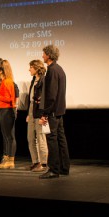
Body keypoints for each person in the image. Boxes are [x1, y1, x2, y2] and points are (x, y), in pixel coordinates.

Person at [39, 45, 70, 179]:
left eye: (44, 54)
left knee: (52, 140)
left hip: (52, 112)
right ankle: (64, 167)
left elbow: (51, 95)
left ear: (49, 55)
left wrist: (45, 113)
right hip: (59, 111)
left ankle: (53, 169)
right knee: (60, 139)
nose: (42, 56)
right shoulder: (60, 69)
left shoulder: (52, 70)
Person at [0, 59, 17, 169]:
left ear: (2, 70)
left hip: (7, 110)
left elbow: (8, 99)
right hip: (3, 110)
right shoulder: (5, 81)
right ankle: (7, 160)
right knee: (6, 136)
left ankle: (10, 161)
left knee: (9, 137)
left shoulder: (7, 81)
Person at [26, 60, 48, 172]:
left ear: (36, 68)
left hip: (39, 110)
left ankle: (44, 163)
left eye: (31, 67)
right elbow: (31, 99)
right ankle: (35, 161)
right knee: (30, 138)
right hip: (31, 109)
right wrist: (28, 114)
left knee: (40, 137)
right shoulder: (34, 80)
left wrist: (42, 115)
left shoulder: (43, 80)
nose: (29, 69)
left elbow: (43, 100)